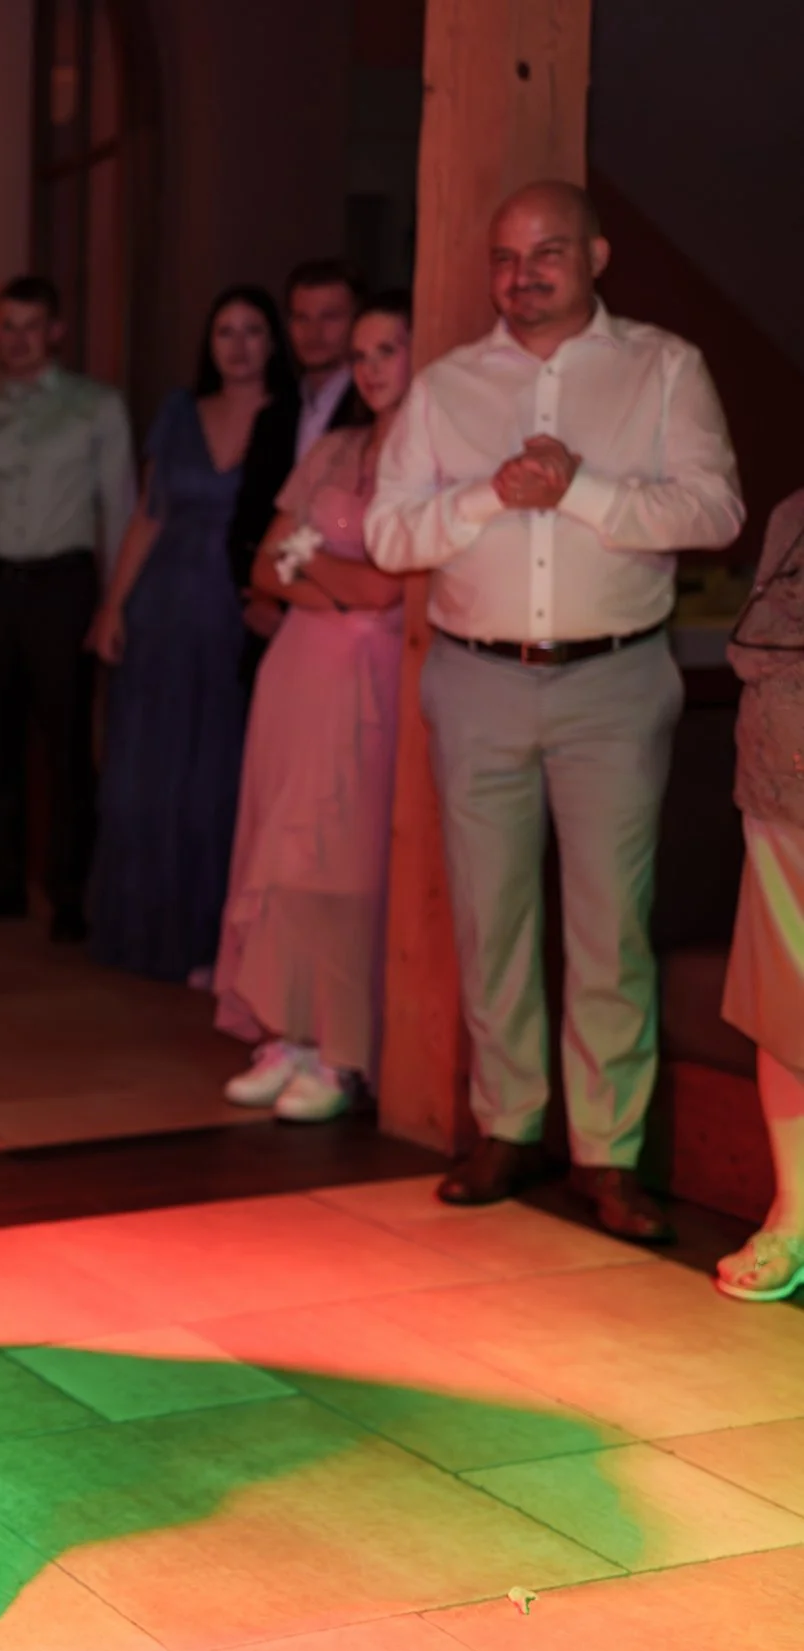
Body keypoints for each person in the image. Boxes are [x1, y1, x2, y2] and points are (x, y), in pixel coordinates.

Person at [368, 181, 744, 1244]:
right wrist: (491, 493)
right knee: (490, 917)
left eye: (546, 253)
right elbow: (390, 536)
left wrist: (577, 489)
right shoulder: (444, 387)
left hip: (613, 681)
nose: (521, 275)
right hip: (475, 676)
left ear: (596, 256)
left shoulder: (663, 368)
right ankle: (508, 1125)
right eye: (504, 257)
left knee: (608, 924)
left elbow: (715, 508)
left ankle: (608, 1152)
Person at [215, 293, 415, 1122]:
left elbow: (387, 589)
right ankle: (288, 1030)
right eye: (360, 355)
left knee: (344, 859)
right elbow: (265, 566)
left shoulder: (429, 454)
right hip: (296, 669)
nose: (369, 368)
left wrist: (314, 571)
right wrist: (332, 583)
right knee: (282, 851)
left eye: (387, 350)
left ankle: (343, 1048)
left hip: (367, 676)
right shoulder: (334, 445)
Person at [88, 285, 289, 983]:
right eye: (225, 331)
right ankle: (144, 932)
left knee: (217, 776)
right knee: (149, 773)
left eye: (252, 330)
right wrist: (113, 608)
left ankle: (211, 942)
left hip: (234, 611)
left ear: (273, 341)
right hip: (162, 609)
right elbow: (149, 515)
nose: (238, 345)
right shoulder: (180, 412)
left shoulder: (289, 417)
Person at [0, 274, 134, 942]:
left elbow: (121, 509)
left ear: (55, 331)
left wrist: (114, 604)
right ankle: (2, 883)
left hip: (64, 587)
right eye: (7, 326)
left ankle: (72, 893)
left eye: (30, 326)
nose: (18, 340)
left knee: (68, 746)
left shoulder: (96, 407)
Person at [717, 489, 804, 1300]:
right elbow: (753, 644)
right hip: (779, 790)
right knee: (784, 1003)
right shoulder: (792, 515)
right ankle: (793, 1213)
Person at [230, 260, 365, 672]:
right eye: (301, 318)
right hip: (269, 619)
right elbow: (248, 520)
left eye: (330, 317)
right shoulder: (274, 415)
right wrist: (259, 595)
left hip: (347, 617)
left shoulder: (370, 411)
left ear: (357, 321)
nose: (313, 332)